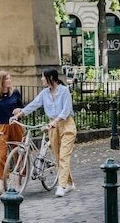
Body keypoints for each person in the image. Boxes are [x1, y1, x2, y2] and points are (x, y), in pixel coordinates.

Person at [12, 67, 77, 197]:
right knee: (58, 157)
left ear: (51, 78)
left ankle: (62, 186)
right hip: (53, 128)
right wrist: (18, 115)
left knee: (64, 156)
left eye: (43, 77)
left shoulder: (64, 91)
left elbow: (66, 110)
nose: (41, 79)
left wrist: (55, 121)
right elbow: (33, 104)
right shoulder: (44, 93)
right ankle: (69, 183)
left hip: (66, 125)